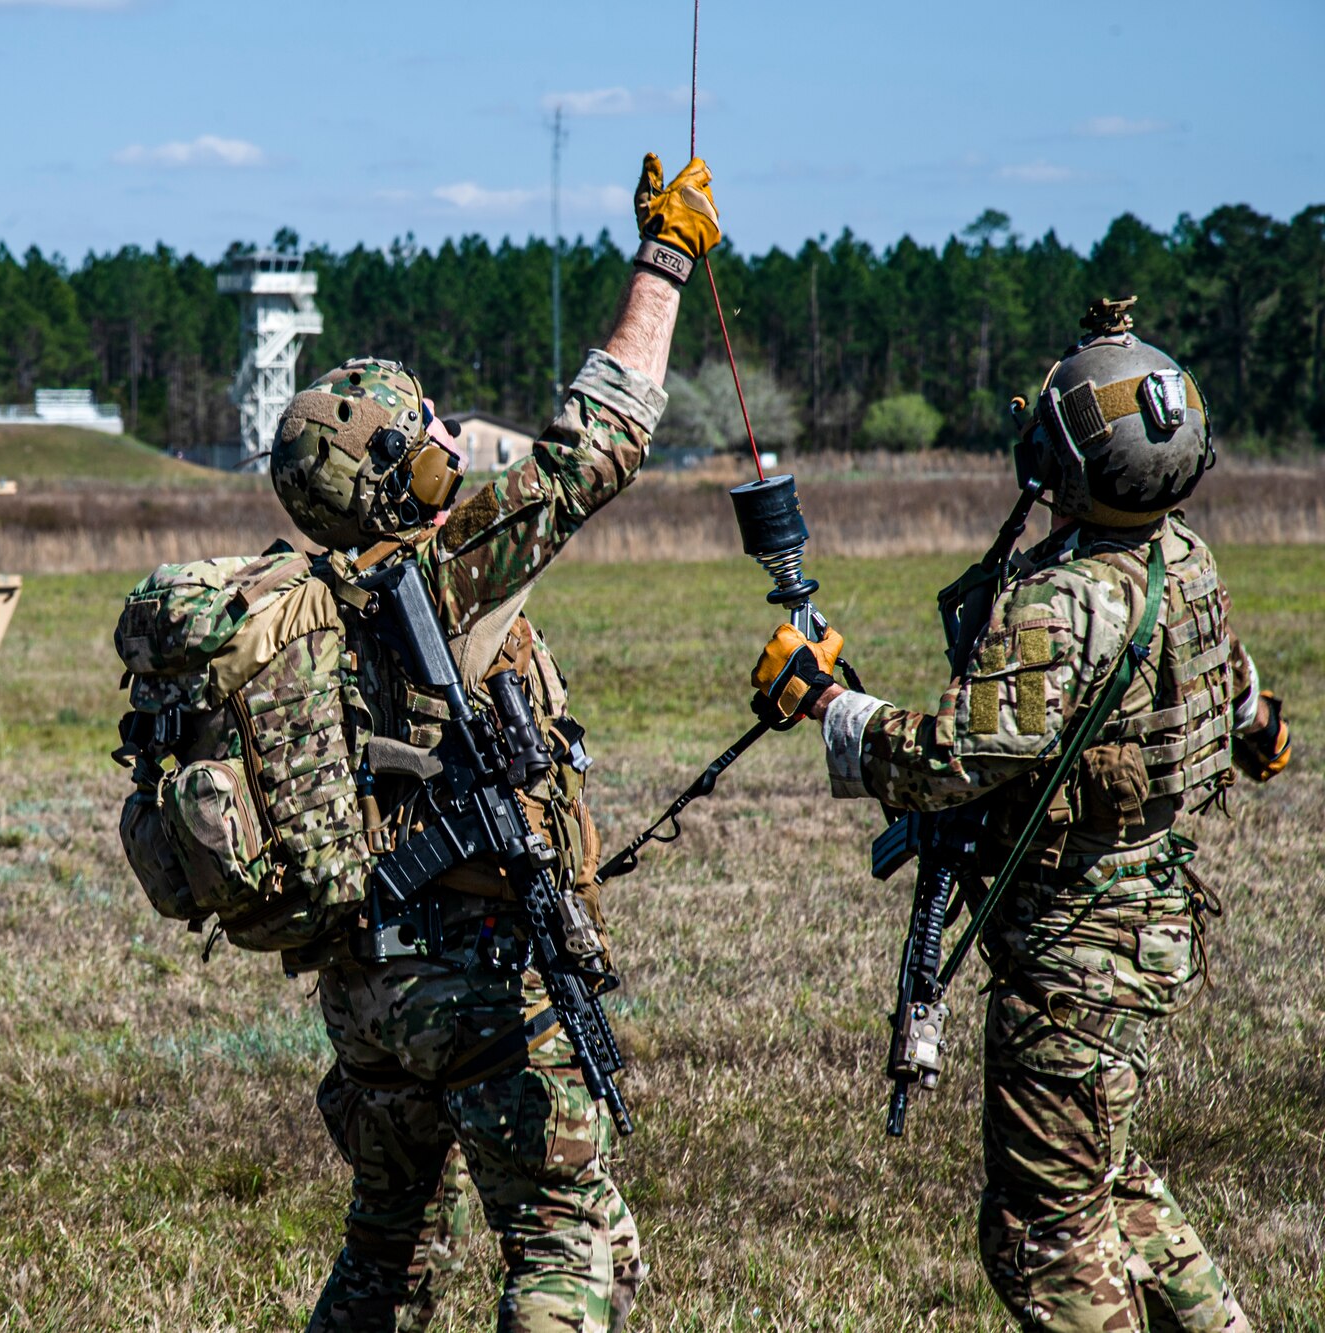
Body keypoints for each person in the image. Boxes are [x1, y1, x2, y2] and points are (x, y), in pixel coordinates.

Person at [751, 297, 1289, 1332]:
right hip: (1147, 921)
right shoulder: (1183, 558)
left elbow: (953, 760)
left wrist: (831, 708)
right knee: (1109, 1183)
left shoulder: (1063, 596)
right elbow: (1229, 698)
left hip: (1075, 950)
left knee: (1040, 1235)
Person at [274, 152, 719, 1332]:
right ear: (409, 466)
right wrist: (664, 263)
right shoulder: (442, 571)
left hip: (361, 988)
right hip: (477, 971)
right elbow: (596, 444)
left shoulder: (294, 606)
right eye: (425, 435)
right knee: (560, 1248)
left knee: (382, 1251)